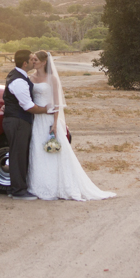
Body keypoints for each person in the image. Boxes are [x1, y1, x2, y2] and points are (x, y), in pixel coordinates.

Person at [26, 50, 115, 201]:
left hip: (48, 120)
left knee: (52, 151)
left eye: (35, 59)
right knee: (37, 150)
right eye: (32, 59)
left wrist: (55, 123)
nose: (33, 62)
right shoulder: (30, 78)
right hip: (36, 118)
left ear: (44, 62)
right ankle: (39, 184)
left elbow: (56, 102)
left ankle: (58, 185)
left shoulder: (52, 79)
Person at [2, 49, 50, 200]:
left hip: (17, 119)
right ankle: (18, 190)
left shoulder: (18, 76)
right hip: (18, 121)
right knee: (18, 156)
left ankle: (15, 188)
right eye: (31, 59)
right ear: (25, 63)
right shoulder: (19, 81)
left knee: (19, 155)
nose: (33, 61)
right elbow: (28, 107)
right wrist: (46, 109)